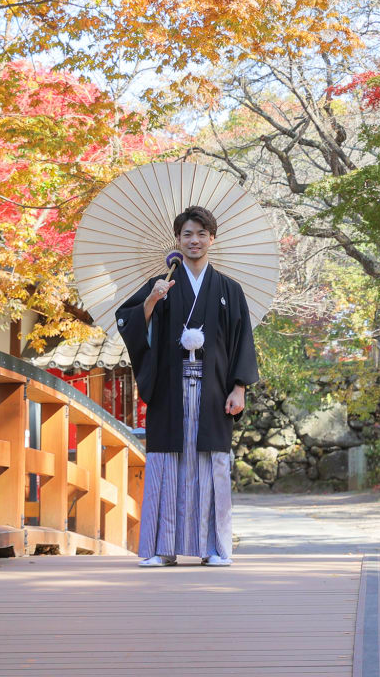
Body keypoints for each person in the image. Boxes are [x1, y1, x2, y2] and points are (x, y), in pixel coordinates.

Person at [115, 205, 259, 567]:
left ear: (212, 238)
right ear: (177, 240)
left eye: (201, 234)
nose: (194, 240)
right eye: (187, 234)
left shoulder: (229, 289)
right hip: (169, 389)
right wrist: (151, 300)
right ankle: (161, 548)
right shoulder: (159, 284)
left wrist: (239, 387)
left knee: (211, 465)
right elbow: (128, 322)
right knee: (168, 464)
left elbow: (243, 341)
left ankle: (215, 547)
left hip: (212, 390)